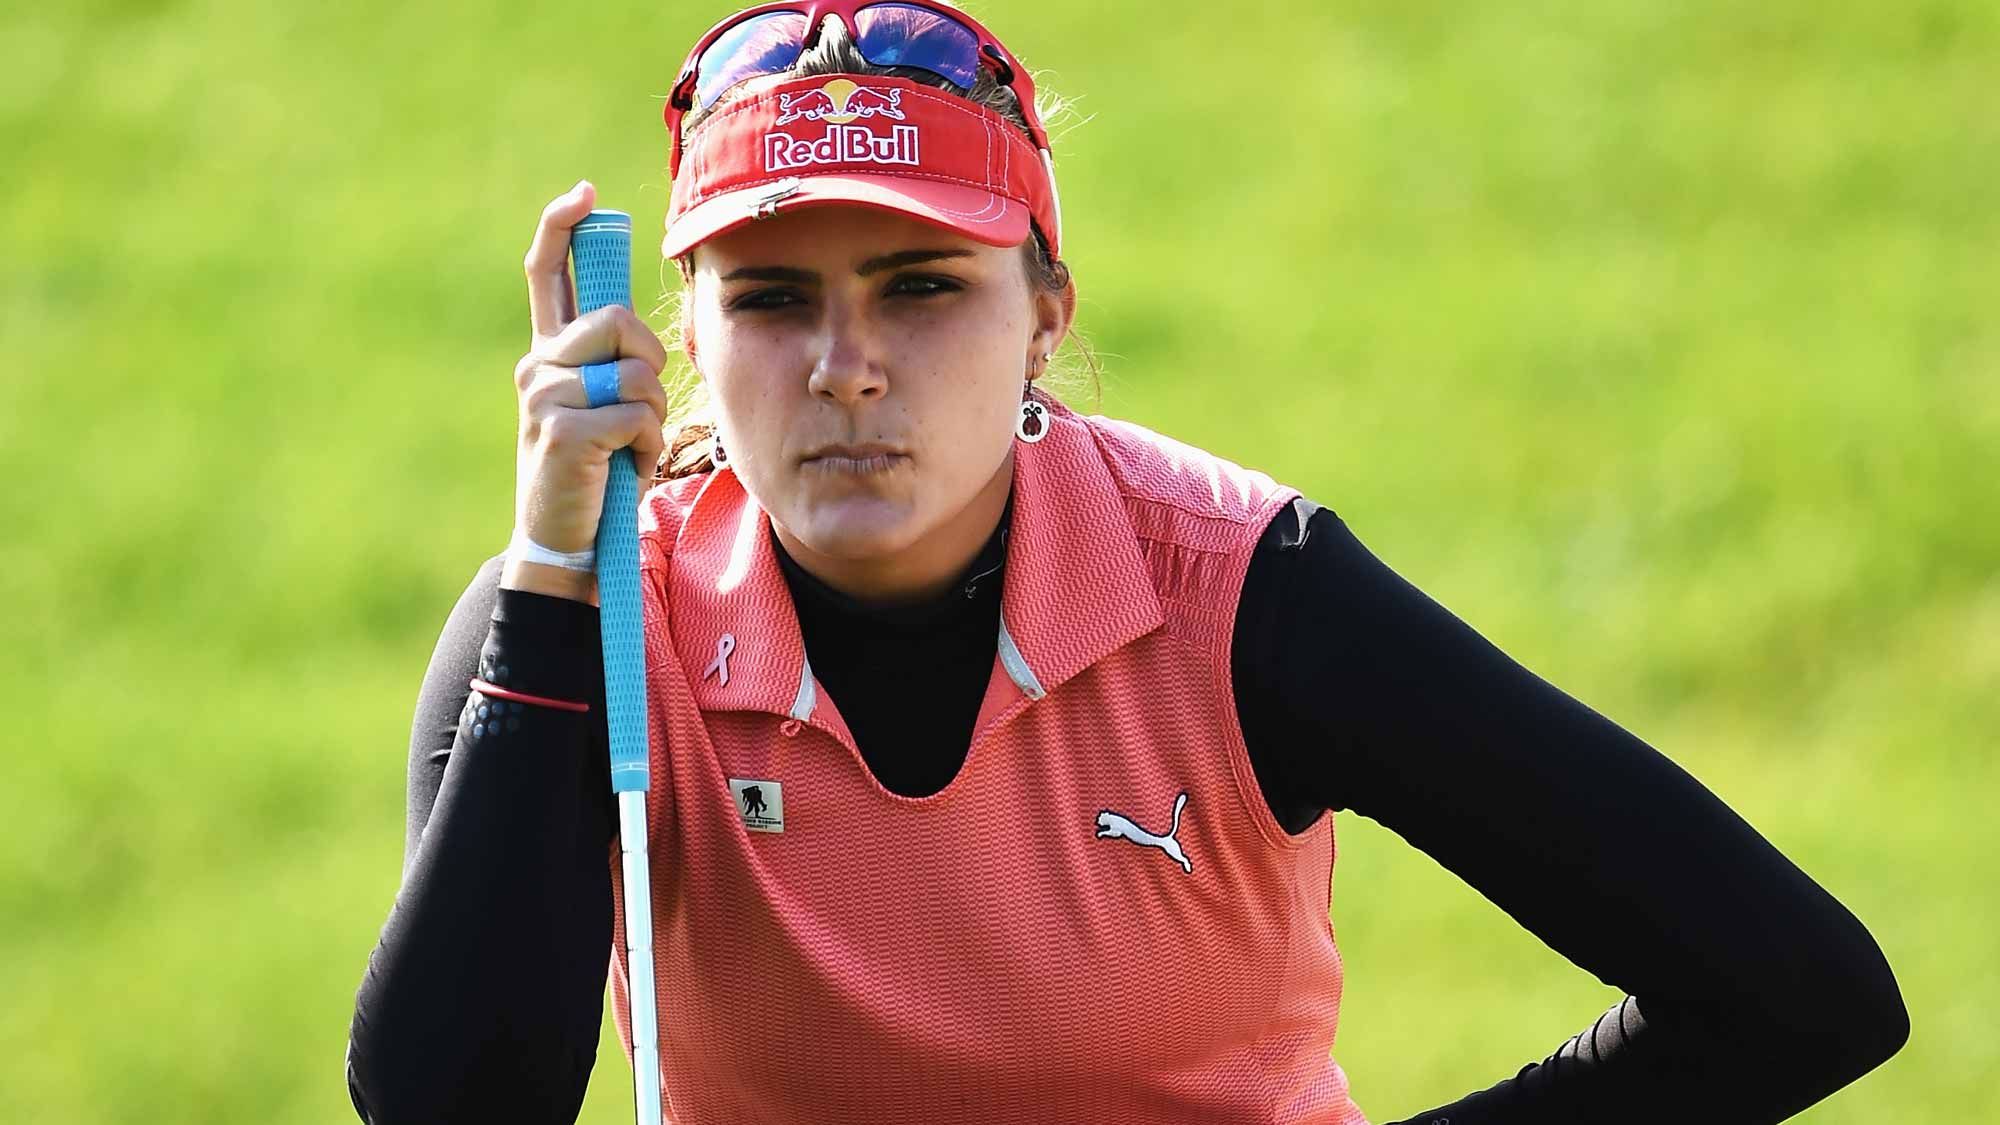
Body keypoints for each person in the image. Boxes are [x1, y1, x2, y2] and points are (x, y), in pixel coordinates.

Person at [345, 3, 1910, 1122]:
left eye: (920, 286)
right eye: (769, 298)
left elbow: (1795, 993)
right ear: (686, 334)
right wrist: (555, 565)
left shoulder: (1241, 592)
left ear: (1047, 313)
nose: (846, 365)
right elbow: (448, 1105)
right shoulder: (583, 619)